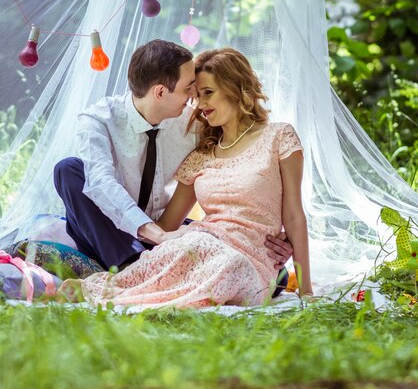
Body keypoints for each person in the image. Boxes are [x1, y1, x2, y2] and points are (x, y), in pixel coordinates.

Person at [58, 47, 312, 307]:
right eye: (193, 92)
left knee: (223, 258)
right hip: (158, 238)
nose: (197, 104)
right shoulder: (197, 150)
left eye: (206, 93)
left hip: (235, 253)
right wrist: (165, 241)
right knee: (68, 170)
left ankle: (130, 285)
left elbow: (292, 213)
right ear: (160, 92)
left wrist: (303, 282)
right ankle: (121, 281)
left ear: (236, 88)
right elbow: (154, 219)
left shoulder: (273, 136)